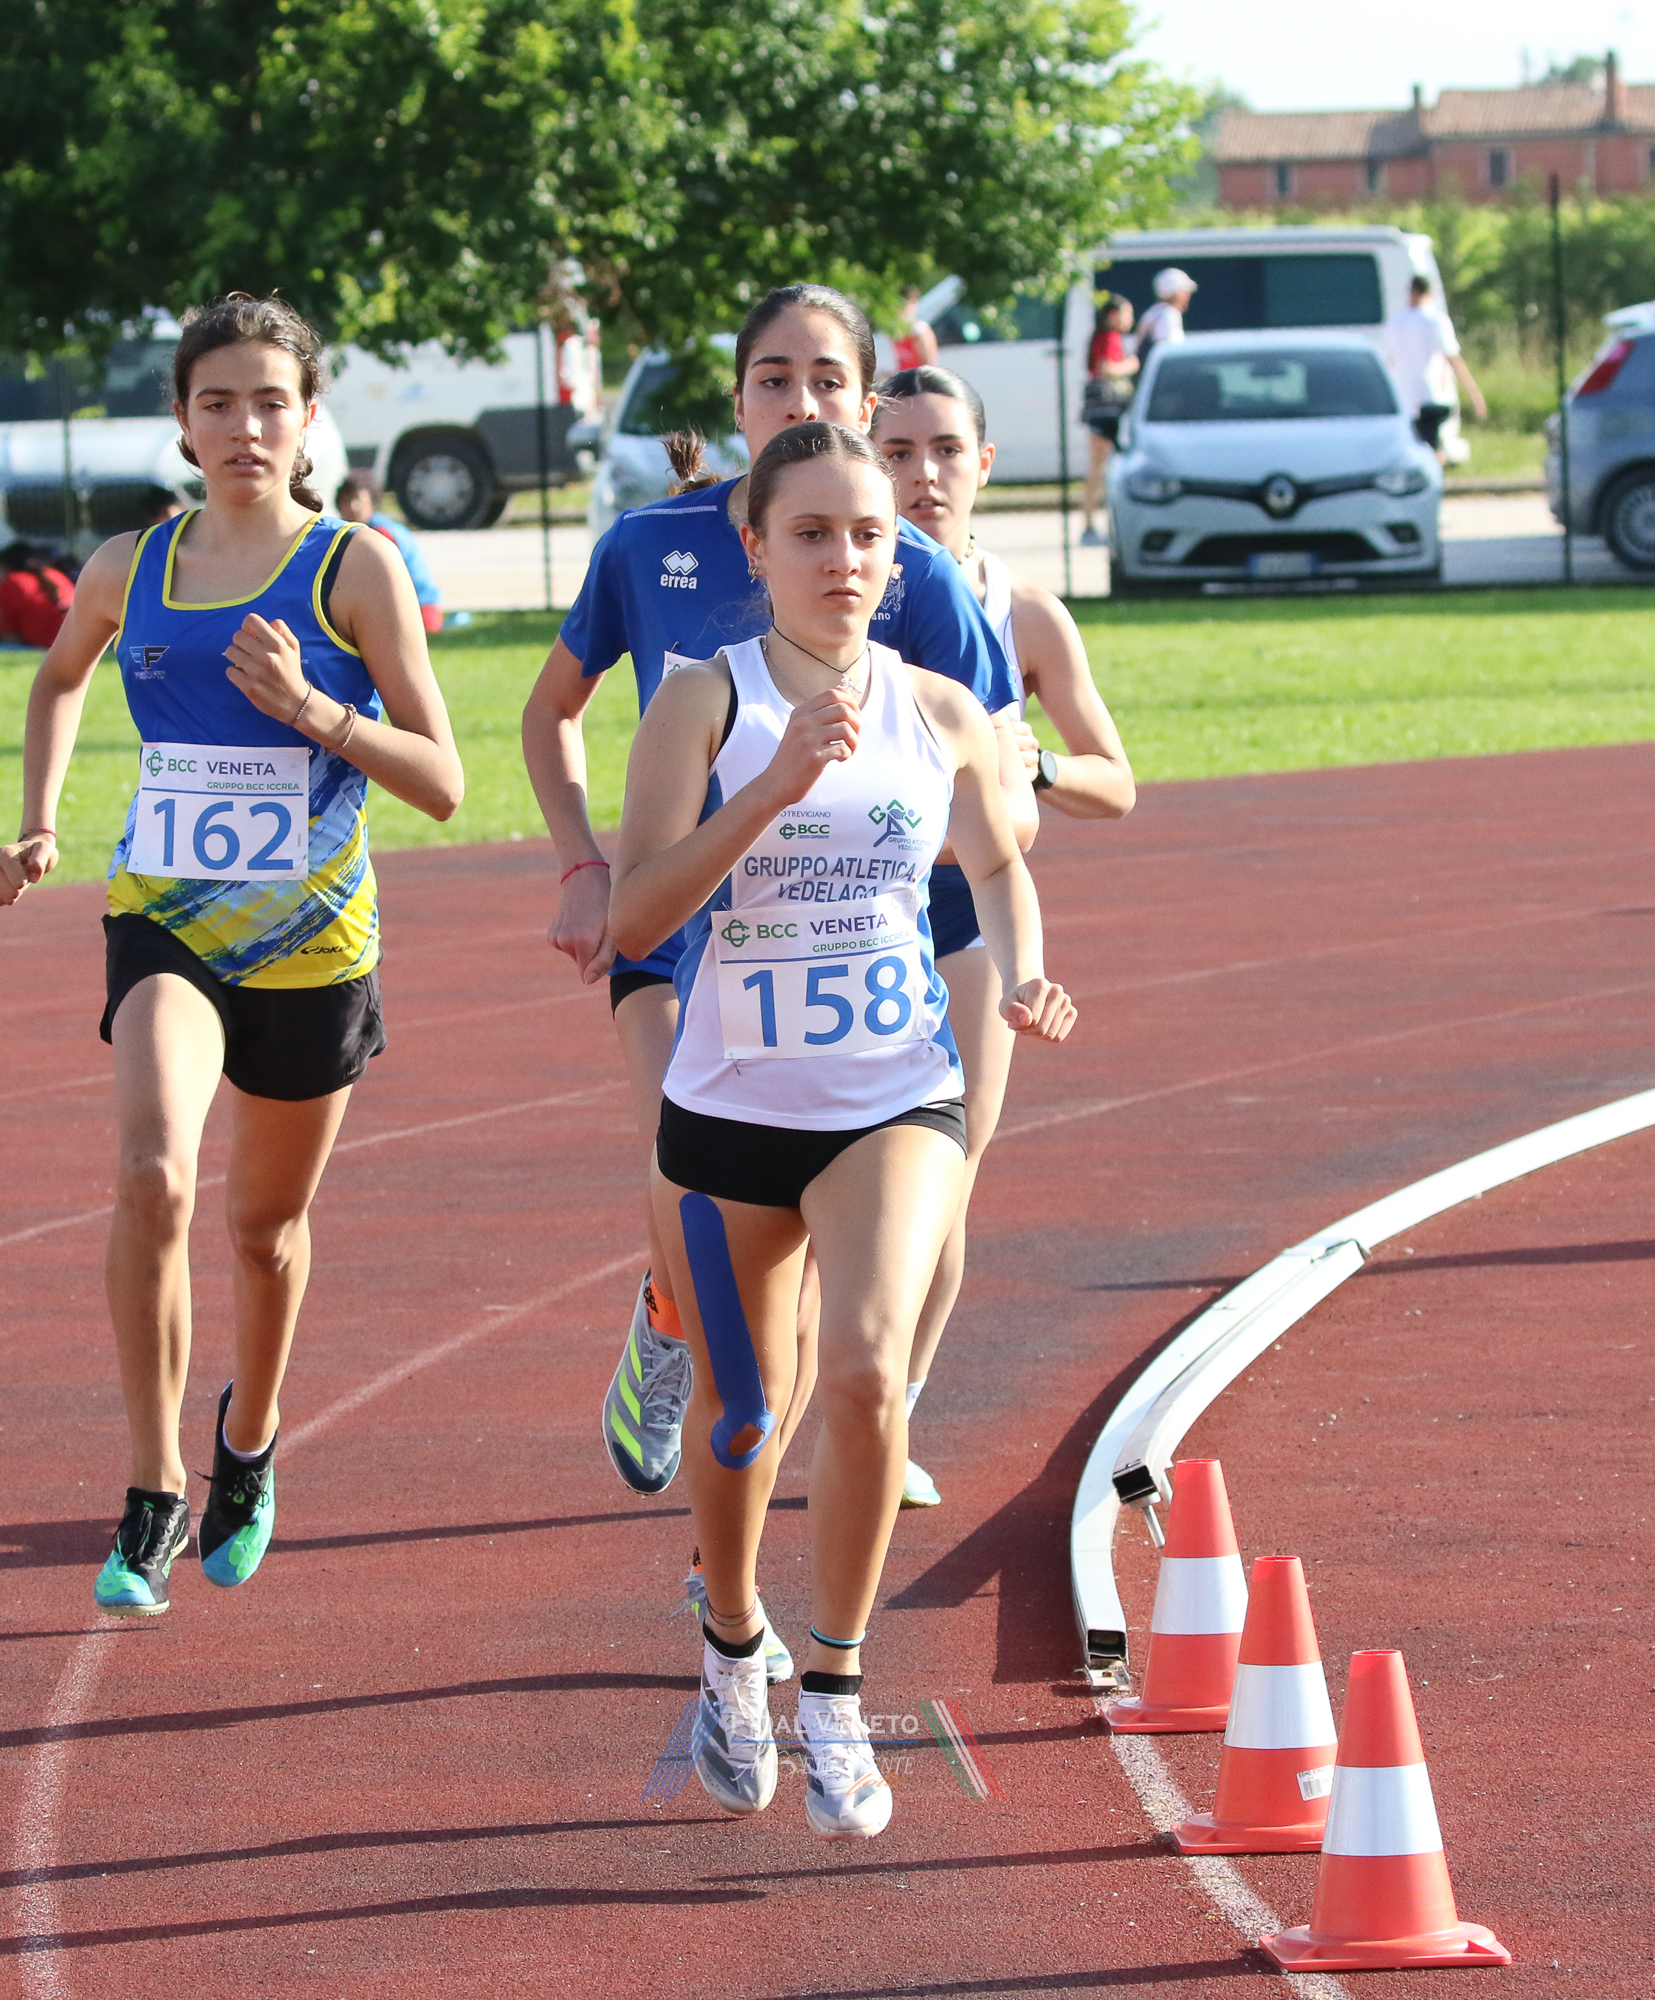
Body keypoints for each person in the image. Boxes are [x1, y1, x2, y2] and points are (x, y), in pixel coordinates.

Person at [611, 417, 1074, 1838]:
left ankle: (834, 1685)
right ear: (754, 547)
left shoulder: (941, 708)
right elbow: (634, 916)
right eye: (811, 532)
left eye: (870, 534)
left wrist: (1026, 966)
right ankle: (730, 1643)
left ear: (900, 554)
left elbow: (998, 859)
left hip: (894, 1091)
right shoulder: (704, 701)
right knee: (746, 1411)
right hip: (730, 1110)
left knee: (870, 1374)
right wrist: (770, 788)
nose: (845, 559)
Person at [517, 284, 1023, 1552]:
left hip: (863, 940)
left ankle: (733, 1549)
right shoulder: (649, 545)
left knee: (823, 1280)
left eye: (827, 381)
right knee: (699, 1192)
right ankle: (670, 1317)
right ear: (738, 397)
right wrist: (582, 861)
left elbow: (999, 780)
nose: (799, 399)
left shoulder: (902, 564)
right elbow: (551, 711)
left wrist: (964, 858)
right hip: (682, 929)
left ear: (867, 399)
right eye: (773, 379)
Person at [0, 294, 464, 1617]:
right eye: (217, 403)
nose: (245, 426)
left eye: (270, 402)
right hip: (167, 922)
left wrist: (313, 709)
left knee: (265, 1230)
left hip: (312, 944)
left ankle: (247, 1439)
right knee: (152, 1174)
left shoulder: (353, 568)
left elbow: (442, 780)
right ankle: (152, 1489)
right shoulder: (129, 565)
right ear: (182, 422)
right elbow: (60, 676)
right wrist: (37, 821)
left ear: (309, 419)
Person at [871, 362, 1134, 1509]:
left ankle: (894, 1409)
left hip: (968, 916)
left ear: (984, 462)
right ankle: (805, 1388)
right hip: (845, 911)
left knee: (948, 1172)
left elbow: (1118, 780)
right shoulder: (846, 580)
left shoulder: (1024, 611)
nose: (922, 474)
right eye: (897, 451)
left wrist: (1042, 766)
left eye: (945, 451)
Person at [333, 468, 447, 634]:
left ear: (371, 500)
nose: (352, 506)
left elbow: (378, 586)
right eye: (345, 501)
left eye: (357, 499)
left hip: (419, 609)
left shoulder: (380, 533)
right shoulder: (354, 531)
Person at [1381, 274, 1489, 425]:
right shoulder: (1436, 321)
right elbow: (1453, 359)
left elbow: (1389, 361)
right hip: (1431, 396)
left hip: (1402, 398)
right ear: (1429, 294)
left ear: (1410, 292)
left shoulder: (1394, 323)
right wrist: (1474, 394)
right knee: (1435, 437)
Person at [1080, 295, 1138, 548]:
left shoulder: (1099, 336)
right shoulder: (1110, 337)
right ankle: (1093, 525)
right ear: (1114, 316)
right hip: (1108, 408)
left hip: (1098, 408)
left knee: (1096, 467)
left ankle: (1090, 523)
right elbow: (1106, 368)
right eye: (1127, 314)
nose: (1130, 319)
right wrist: (1132, 364)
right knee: (1101, 467)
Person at [0, 541, 78, 650]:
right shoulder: (54, 575)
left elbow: (9, 636)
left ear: (6, 566)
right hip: (79, 643)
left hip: (46, 647)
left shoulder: (12, 583)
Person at [1136, 268, 1196, 362]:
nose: (1188, 296)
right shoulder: (1168, 314)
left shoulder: (1153, 312)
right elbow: (1172, 352)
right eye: (1185, 291)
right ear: (1176, 293)